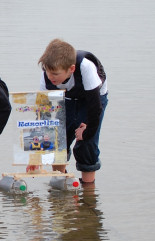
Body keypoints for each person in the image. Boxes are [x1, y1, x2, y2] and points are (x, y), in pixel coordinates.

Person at [37, 38, 108, 186]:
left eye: (55, 74)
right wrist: (37, 155)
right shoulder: (47, 75)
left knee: (86, 143)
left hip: (93, 98)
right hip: (67, 97)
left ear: (71, 69)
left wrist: (87, 131)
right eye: (48, 72)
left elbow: (95, 109)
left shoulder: (86, 67)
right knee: (57, 139)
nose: (50, 77)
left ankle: (88, 191)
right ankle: (60, 181)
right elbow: (44, 113)